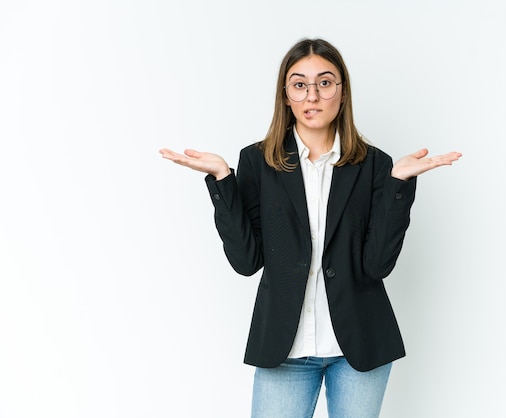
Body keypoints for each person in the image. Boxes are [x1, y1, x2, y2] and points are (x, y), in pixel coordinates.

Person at [159, 38, 461, 418]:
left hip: (360, 348)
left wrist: (398, 185)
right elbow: (246, 261)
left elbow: (378, 265)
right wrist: (222, 180)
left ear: (342, 92)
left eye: (325, 82)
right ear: (286, 95)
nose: (312, 96)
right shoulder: (256, 161)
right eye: (299, 84)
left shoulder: (374, 165)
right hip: (285, 348)